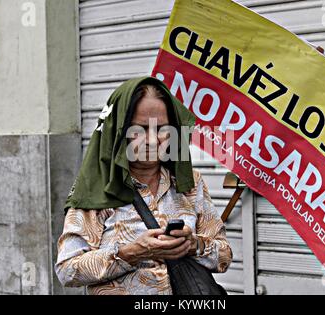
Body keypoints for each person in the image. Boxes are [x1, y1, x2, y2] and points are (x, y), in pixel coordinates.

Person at [55, 77, 233, 295]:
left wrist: (194, 245)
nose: (151, 140)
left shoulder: (190, 184)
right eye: (138, 129)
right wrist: (130, 253)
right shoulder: (96, 191)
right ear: (119, 131)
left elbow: (224, 256)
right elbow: (67, 270)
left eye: (161, 129)